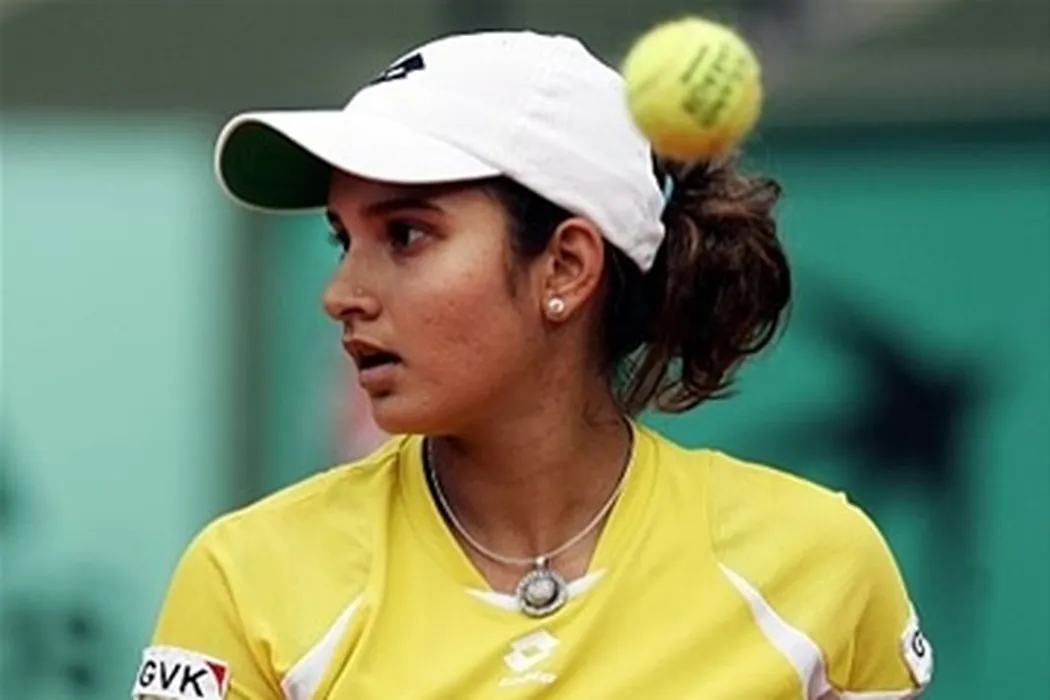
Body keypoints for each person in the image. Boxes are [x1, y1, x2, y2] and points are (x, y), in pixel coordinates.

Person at [132, 30, 933, 700]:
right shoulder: (245, 577)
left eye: (406, 235)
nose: (341, 294)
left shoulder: (820, 563)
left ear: (566, 266)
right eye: (344, 239)